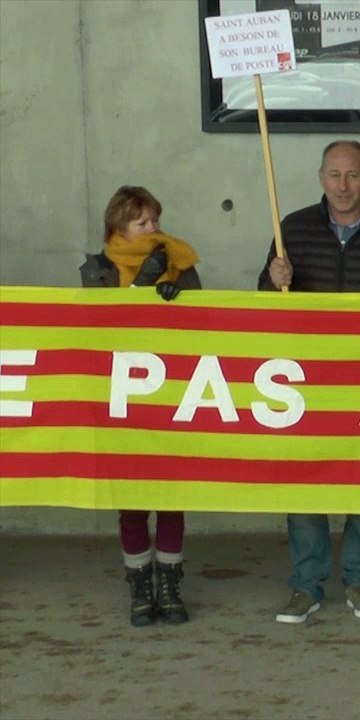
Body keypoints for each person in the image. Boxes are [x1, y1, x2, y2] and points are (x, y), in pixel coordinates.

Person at [260, 140, 360, 623]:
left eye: (353, 175)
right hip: (306, 380)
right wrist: (275, 279)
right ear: (320, 178)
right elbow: (263, 306)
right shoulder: (289, 229)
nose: (343, 185)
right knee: (305, 482)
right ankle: (305, 585)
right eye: (334, 175)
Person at [81, 185, 201, 627]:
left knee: (170, 496)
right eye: (142, 223)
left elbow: (201, 332)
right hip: (120, 400)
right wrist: (142, 290)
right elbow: (96, 329)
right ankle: (139, 585)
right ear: (119, 227)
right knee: (131, 500)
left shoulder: (180, 265)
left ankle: (170, 585)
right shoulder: (95, 270)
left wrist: (176, 299)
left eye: (155, 221)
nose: (153, 230)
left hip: (168, 395)